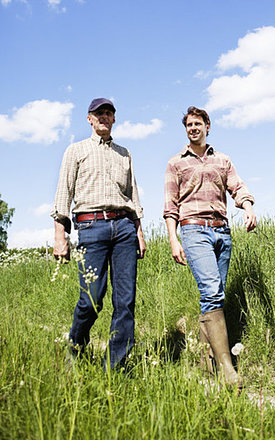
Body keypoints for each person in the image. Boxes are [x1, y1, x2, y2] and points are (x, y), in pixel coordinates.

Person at [163, 106, 256, 385]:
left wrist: (248, 207)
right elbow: (170, 207)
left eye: (197, 123)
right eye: (189, 124)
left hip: (222, 232)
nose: (193, 128)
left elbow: (237, 188)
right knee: (212, 291)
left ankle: (206, 363)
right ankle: (228, 369)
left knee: (214, 296)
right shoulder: (175, 163)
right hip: (193, 232)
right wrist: (173, 239)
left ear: (207, 126)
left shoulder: (223, 160)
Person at [51, 98, 146, 369]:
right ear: (89, 119)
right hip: (90, 227)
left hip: (125, 228)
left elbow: (133, 195)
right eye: (99, 113)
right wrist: (60, 236)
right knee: (91, 299)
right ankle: (75, 347)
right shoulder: (75, 150)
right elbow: (63, 194)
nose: (104, 117)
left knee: (125, 300)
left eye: (109, 113)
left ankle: (112, 367)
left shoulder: (124, 153)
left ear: (114, 119)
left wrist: (139, 231)